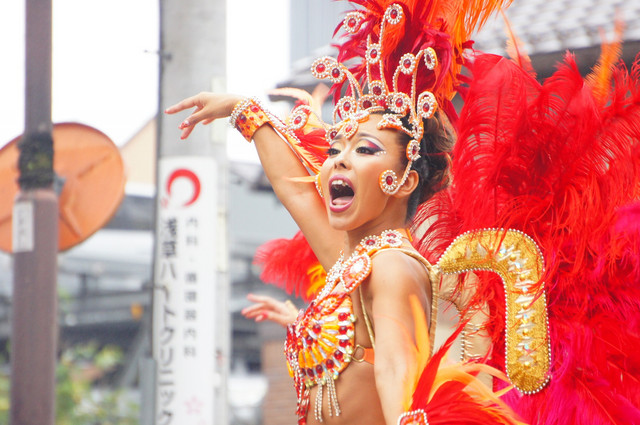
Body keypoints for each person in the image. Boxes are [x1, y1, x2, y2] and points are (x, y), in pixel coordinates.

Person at [166, 1, 524, 424]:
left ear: (404, 182)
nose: (338, 159)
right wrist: (242, 109)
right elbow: (295, 192)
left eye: (365, 150)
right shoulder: (352, 263)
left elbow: (396, 369)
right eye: (335, 149)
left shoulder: (392, 265)